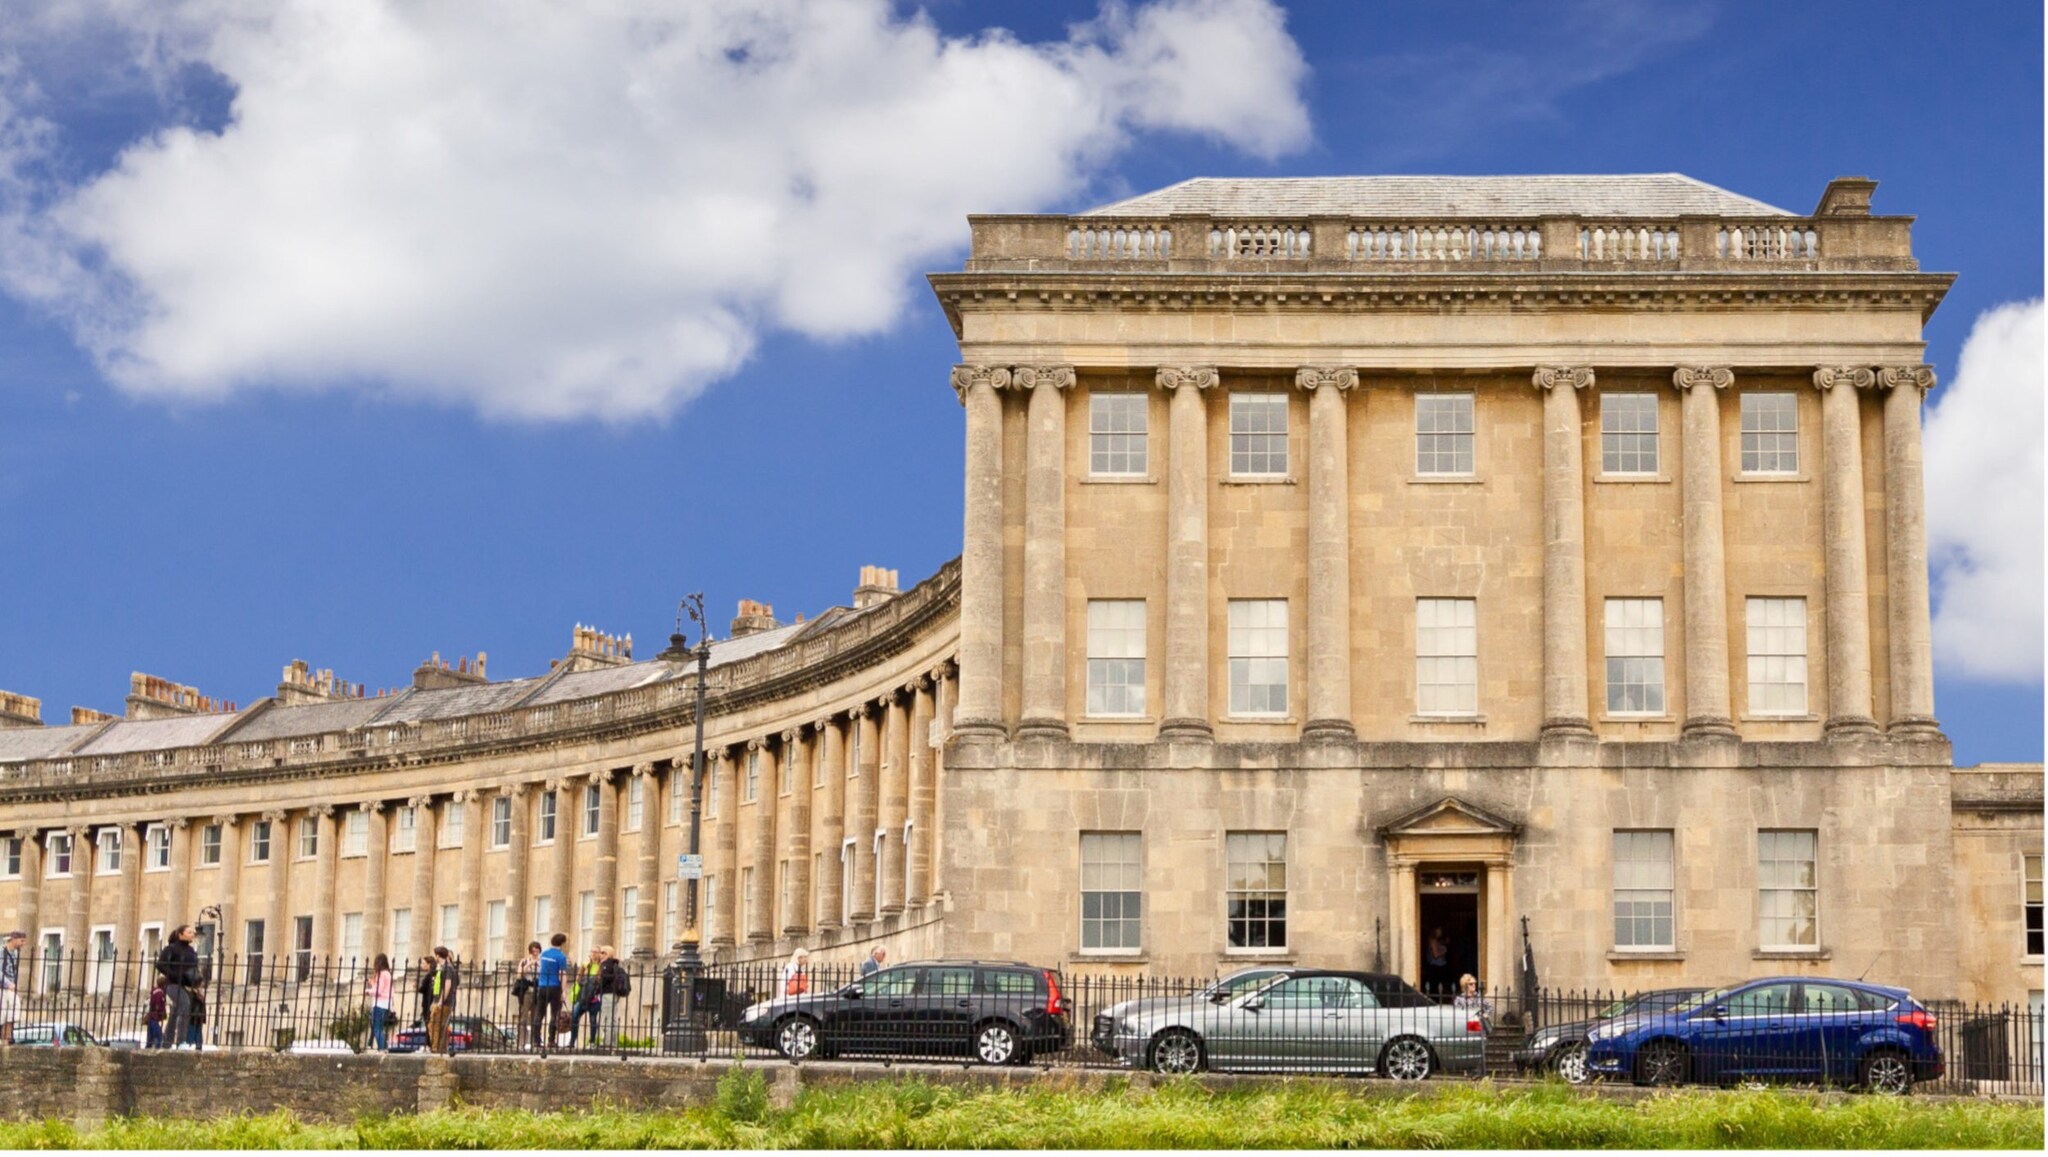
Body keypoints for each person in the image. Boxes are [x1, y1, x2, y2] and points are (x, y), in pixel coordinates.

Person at [156, 924, 202, 1048]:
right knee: (185, 1006)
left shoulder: (191, 951)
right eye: (189, 932)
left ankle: (166, 1042)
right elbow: (160, 964)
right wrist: (173, 974)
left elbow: (193, 968)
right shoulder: (171, 949)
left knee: (175, 1012)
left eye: (192, 932)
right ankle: (181, 1041)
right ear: (180, 934)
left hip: (186, 984)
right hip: (172, 984)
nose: (192, 934)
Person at [532, 933, 568, 1058]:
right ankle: (551, 1040)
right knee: (554, 1014)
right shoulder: (561, 957)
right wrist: (564, 991)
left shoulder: (544, 954)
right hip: (554, 987)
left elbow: (540, 968)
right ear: (562, 943)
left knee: (539, 1014)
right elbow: (562, 975)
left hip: (542, 986)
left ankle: (536, 1040)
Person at [567, 948, 603, 1048]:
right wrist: (584, 969)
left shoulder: (601, 966)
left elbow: (599, 981)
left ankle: (592, 1042)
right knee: (574, 1017)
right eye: (592, 952)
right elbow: (578, 980)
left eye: (596, 952)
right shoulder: (585, 965)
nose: (593, 954)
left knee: (593, 1019)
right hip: (582, 996)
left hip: (594, 997)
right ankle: (572, 1041)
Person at [426, 947, 459, 1054]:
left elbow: (448, 985)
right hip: (441, 1001)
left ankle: (436, 1048)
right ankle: (440, 1048)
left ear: (438, 956)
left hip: (444, 1003)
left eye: (436, 955)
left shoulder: (448, 968)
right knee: (438, 1025)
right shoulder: (443, 968)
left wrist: (440, 1001)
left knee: (435, 1025)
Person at [595, 946, 630, 1049]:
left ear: (607, 954)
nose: (600, 955)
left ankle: (607, 1042)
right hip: (614, 994)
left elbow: (603, 981)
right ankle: (613, 1042)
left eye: (602, 953)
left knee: (607, 1018)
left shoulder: (606, 965)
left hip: (608, 994)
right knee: (613, 1018)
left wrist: (596, 989)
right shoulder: (615, 965)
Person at [512, 942, 541, 1050]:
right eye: (534, 951)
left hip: (538, 990)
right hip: (527, 990)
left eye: (537, 951)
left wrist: (538, 965)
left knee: (536, 1017)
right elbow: (519, 975)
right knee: (523, 1017)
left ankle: (535, 1042)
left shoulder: (541, 962)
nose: (535, 953)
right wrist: (529, 964)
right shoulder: (524, 961)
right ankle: (521, 1043)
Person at [365, 954, 394, 1051]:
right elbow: (383, 988)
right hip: (387, 1004)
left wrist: (368, 991)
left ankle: (382, 1048)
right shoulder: (388, 974)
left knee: (377, 1028)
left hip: (380, 1004)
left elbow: (379, 991)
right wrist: (372, 983)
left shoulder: (381, 974)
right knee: (379, 1028)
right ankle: (384, 1047)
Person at [0, 929, 24, 1046]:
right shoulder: (1, 952)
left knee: (14, 1008)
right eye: (21, 940)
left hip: (10, 987)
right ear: (14, 939)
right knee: (3, 1012)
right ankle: (4, 1038)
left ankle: (7, 1037)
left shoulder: (15, 953)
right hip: (2, 987)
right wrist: (7, 983)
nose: (23, 943)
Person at [1424, 928, 1450, 993]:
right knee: (1436, 985)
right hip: (1436, 966)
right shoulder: (1433, 941)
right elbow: (1435, 955)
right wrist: (1444, 950)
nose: (1440, 932)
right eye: (1439, 930)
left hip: (1439, 965)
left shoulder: (1437, 941)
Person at [185, 981, 207, 1050]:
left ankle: (195, 1045)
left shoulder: (195, 996)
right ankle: (196, 1044)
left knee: (195, 1032)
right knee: (195, 1032)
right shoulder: (196, 995)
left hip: (195, 1017)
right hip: (196, 1017)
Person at [145, 981, 167, 1049]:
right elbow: (158, 1004)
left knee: (150, 1038)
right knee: (158, 1036)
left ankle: (148, 1049)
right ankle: (156, 1049)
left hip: (152, 1016)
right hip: (155, 1016)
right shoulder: (159, 993)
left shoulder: (155, 992)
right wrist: (160, 1012)